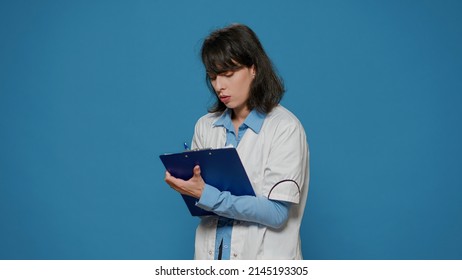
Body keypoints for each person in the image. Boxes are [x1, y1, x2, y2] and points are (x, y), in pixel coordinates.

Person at [164, 23, 309, 260]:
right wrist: (188, 188)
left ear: (254, 69)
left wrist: (207, 194)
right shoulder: (205, 126)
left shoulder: (285, 128)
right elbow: (202, 208)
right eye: (213, 76)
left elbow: (276, 213)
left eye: (228, 74)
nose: (219, 86)